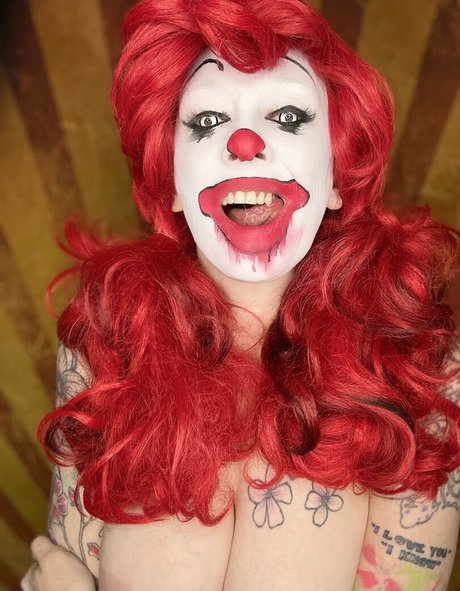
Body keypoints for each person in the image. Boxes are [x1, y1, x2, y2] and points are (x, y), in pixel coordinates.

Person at [22, 0, 460, 589]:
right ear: (173, 184)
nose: (245, 144)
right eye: (207, 121)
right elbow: (63, 569)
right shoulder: (106, 341)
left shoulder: (420, 367)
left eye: (288, 116)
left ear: (337, 178)